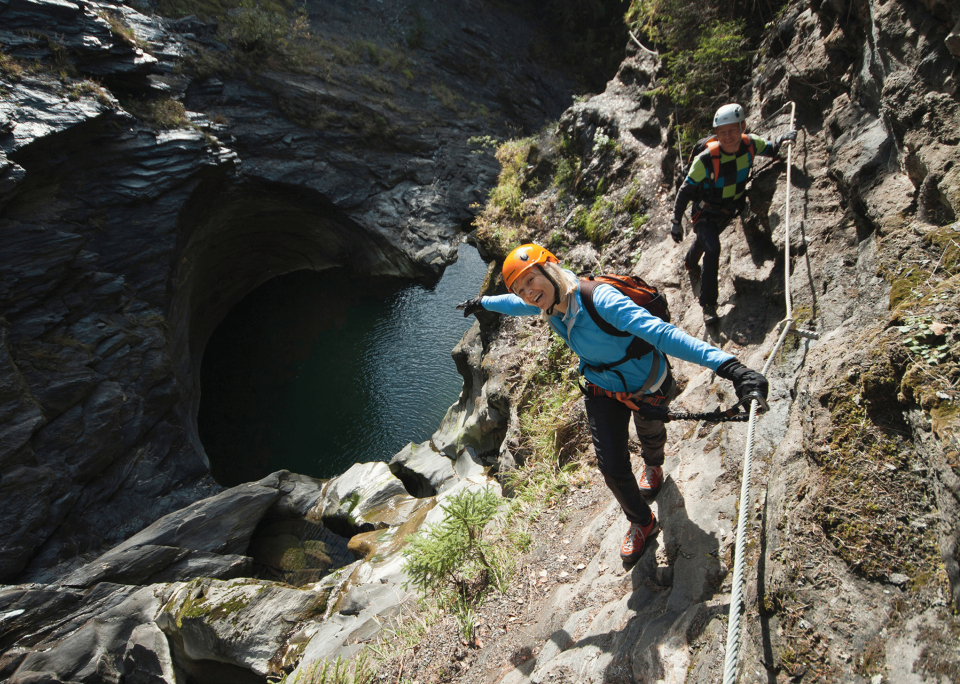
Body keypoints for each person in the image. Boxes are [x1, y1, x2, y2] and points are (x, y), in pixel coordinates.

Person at [458, 244, 768, 563]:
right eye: (521, 289)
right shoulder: (546, 304)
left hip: (647, 382)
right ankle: (642, 522)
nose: (528, 293)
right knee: (611, 467)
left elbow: (662, 334)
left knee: (650, 434)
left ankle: (653, 465)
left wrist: (732, 367)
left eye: (530, 281)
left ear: (550, 270)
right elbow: (514, 303)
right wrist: (481, 301)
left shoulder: (600, 300)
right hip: (601, 387)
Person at [671, 103, 798, 324]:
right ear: (716, 133)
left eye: (733, 130)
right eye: (722, 132)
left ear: (743, 126)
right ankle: (708, 305)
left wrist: (781, 140)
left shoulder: (750, 144)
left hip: (729, 209)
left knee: (705, 243)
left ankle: (690, 263)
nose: (728, 136)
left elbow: (770, 148)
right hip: (705, 212)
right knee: (713, 247)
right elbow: (685, 191)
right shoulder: (705, 159)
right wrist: (676, 222)